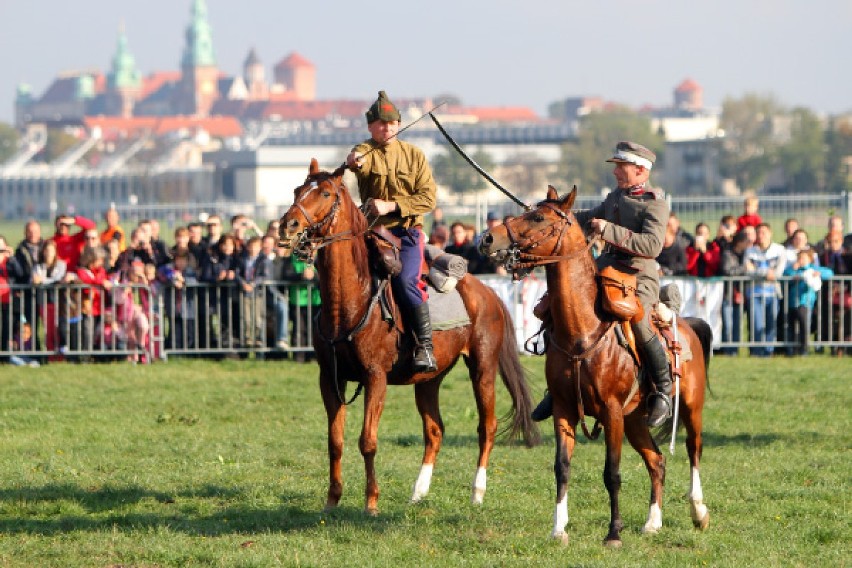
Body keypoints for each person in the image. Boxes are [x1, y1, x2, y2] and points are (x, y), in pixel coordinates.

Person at [531, 141, 672, 427]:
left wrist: (609, 229)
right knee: (557, 309)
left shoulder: (654, 203)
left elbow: (652, 245)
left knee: (639, 321)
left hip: (638, 276)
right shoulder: (615, 196)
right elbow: (584, 218)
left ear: (641, 170)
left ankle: (663, 390)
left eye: (622, 167)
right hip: (605, 269)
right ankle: (556, 388)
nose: (616, 172)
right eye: (617, 167)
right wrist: (552, 215)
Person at [345, 90, 439, 373]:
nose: (386, 128)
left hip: (407, 234)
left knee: (407, 281)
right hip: (372, 235)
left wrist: (391, 206)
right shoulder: (366, 151)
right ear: (371, 127)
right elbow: (357, 158)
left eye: (391, 123)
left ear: (398, 124)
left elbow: (428, 199)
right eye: (380, 123)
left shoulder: (414, 155)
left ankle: (425, 346)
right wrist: (353, 160)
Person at [744, 223, 786, 357]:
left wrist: (757, 271)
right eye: (759, 233)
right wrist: (765, 273)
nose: (762, 236)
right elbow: (748, 271)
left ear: (770, 233)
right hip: (755, 293)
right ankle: (757, 351)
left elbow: (778, 272)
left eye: (764, 232)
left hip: (773, 293)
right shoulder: (750, 251)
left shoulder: (779, 250)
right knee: (757, 323)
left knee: (771, 323)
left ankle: (768, 351)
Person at [783, 249, 832, 356]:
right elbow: (784, 275)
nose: (801, 260)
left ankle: (804, 349)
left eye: (804, 258)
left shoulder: (812, 269)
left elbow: (829, 272)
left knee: (804, 326)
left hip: (805, 302)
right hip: (792, 302)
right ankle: (791, 349)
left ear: (810, 259)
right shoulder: (794, 269)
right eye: (800, 258)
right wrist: (792, 271)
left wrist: (819, 273)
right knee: (790, 326)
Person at [719, 231, 751, 355]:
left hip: (740, 293)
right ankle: (728, 349)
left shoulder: (745, 255)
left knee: (737, 324)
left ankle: (735, 349)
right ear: (739, 242)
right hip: (729, 293)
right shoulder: (728, 254)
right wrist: (744, 268)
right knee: (728, 324)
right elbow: (727, 270)